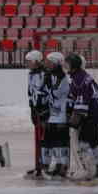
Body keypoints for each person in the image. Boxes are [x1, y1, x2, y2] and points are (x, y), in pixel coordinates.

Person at [65, 53, 98, 181]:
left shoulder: (79, 79)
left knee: (83, 143)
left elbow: (82, 102)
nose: (66, 67)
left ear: (74, 65)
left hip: (91, 115)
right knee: (93, 143)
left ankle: (90, 171)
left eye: (68, 64)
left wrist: (74, 118)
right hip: (97, 113)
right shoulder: (83, 77)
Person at [39, 51, 70, 179]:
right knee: (50, 141)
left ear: (56, 63)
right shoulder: (50, 75)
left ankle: (63, 167)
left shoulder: (64, 77)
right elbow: (45, 94)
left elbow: (59, 94)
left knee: (60, 142)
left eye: (49, 61)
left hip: (61, 114)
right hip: (53, 114)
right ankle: (55, 165)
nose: (46, 63)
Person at [25, 50, 47, 178]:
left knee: (44, 138)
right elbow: (30, 92)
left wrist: (42, 107)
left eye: (29, 61)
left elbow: (44, 92)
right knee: (39, 138)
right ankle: (39, 164)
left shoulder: (44, 74)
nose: (27, 64)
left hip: (43, 110)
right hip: (36, 110)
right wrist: (32, 107)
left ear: (36, 61)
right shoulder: (31, 74)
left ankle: (44, 164)